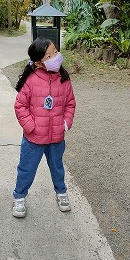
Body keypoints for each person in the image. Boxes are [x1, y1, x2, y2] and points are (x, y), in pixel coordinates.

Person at [11, 38, 76, 218]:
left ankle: (61, 193)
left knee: (57, 168)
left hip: (56, 137)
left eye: (55, 52)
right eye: (49, 56)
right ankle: (19, 196)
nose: (56, 57)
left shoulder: (64, 79)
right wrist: (30, 126)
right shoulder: (31, 80)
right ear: (39, 62)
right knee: (26, 168)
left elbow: (70, 103)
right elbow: (20, 106)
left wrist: (65, 123)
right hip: (33, 139)